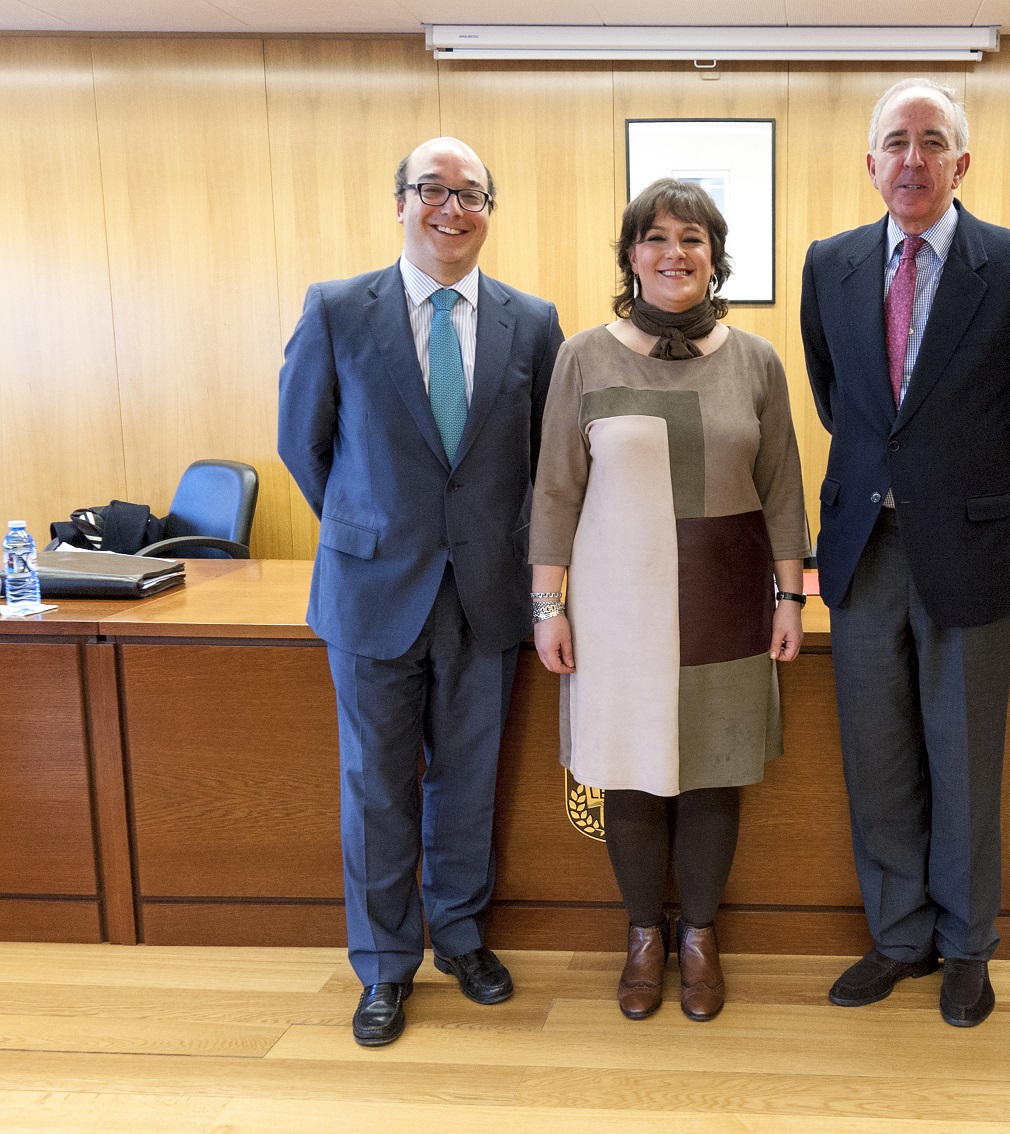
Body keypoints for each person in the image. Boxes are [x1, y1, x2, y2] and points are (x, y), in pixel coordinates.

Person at [799, 78, 1010, 1028]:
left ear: (962, 163)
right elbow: (837, 397)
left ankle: (967, 947)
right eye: (896, 141)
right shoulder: (830, 264)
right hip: (862, 550)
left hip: (969, 546)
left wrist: (987, 495)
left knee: (963, 760)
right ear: (870, 162)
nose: (912, 158)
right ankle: (899, 938)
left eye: (931, 141)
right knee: (877, 756)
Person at [278, 137, 565, 1046]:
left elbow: (548, 463)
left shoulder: (533, 322)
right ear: (400, 202)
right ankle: (384, 965)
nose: (452, 208)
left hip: (486, 591)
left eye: (471, 194)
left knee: (468, 782)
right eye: (433, 190)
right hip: (371, 590)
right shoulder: (337, 310)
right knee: (376, 789)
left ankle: (462, 939)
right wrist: (370, 526)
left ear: (488, 212)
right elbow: (303, 444)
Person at [529, 178, 810, 1023]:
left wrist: (791, 596)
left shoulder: (756, 361)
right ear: (630, 256)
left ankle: (699, 937)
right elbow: (555, 490)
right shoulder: (584, 355)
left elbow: (783, 487)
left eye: (692, 238)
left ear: (714, 258)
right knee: (631, 776)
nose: (673, 253)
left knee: (715, 771)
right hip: (617, 609)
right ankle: (644, 936)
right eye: (655, 237)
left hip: (727, 599)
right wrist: (547, 607)